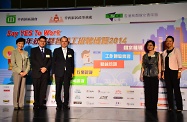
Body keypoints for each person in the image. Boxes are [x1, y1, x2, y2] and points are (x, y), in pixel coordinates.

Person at [52, 36, 74, 110]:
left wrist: (72, 72)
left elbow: (72, 63)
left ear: (67, 42)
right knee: (58, 89)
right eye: (62, 41)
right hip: (58, 72)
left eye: (65, 41)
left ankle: (65, 104)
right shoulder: (56, 50)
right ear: (60, 42)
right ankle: (58, 104)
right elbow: (53, 62)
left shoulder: (71, 51)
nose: (64, 43)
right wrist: (53, 73)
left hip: (67, 73)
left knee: (66, 89)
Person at [162, 36, 183, 112]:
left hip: (175, 72)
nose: (168, 42)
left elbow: (180, 61)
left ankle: (179, 107)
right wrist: (163, 73)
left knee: (176, 90)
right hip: (167, 73)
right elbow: (163, 64)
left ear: (173, 42)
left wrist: (179, 72)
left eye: (170, 41)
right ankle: (171, 107)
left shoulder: (176, 50)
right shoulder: (164, 52)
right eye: (167, 41)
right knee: (169, 90)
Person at [30, 36, 52, 109]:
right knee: (36, 89)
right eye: (41, 41)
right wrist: (40, 68)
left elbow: (50, 61)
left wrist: (45, 68)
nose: (43, 42)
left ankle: (41, 103)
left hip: (45, 73)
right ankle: (36, 104)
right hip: (37, 73)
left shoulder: (48, 51)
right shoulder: (33, 50)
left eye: (44, 41)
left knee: (43, 89)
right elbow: (33, 61)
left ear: (45, 42)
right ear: (38, 41)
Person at [140, 40, 161, 113]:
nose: (149, 46)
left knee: (154, 91)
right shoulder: (145, 56)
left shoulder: (157, 54)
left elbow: (159, 64)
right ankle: (148, 106)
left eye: (151, 45)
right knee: (147, 91)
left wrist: (160, 73)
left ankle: (154, 106)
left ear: (154, 46)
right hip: (146, 74)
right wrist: (141, 74)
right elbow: (143, 66)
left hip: (154, 74)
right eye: (148, 45)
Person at [11, 37, 30, 110]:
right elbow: (13, 63)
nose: (21, 45)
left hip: (24, 73)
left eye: (22, 43)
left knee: (22, 89)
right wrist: (20, 71)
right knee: (16, 88)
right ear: (16, 44)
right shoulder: (14, 52)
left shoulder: (26, 53)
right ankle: (15, 104)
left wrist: (26, 71)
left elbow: (28, 63)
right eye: (19, 43)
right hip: (17, 73)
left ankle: (21, 104)